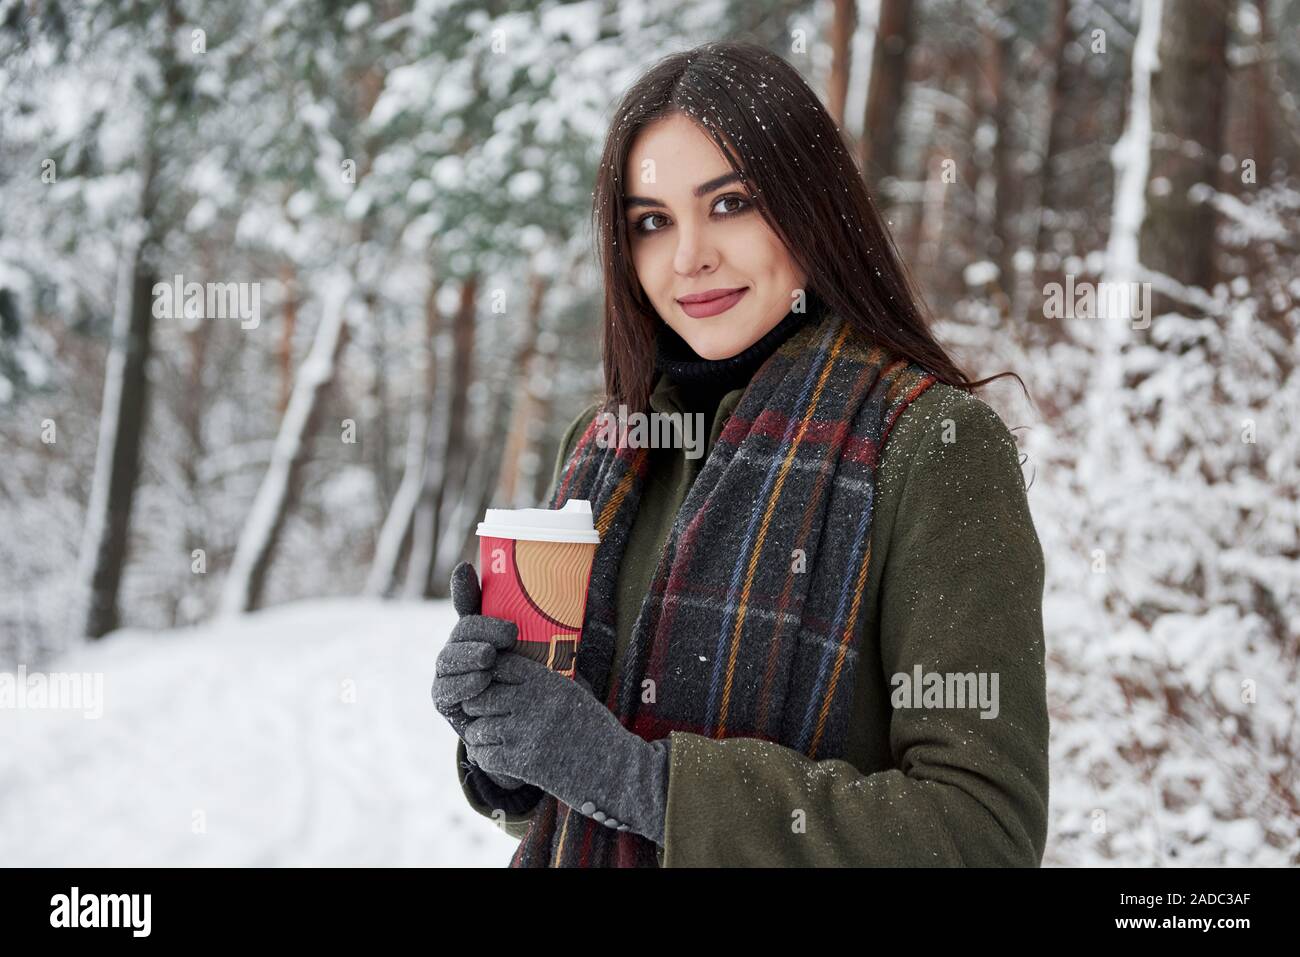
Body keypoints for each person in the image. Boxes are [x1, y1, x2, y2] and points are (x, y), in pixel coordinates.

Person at [432, 40, 1049, 868]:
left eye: (730, 204)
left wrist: (639, 779)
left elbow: (982, 834)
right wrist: (506, 742)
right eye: (651, 222)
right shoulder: (607, 449)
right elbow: (566, 809)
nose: (689, 256)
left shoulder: (933, 447)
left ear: (810, 205)